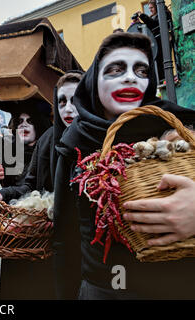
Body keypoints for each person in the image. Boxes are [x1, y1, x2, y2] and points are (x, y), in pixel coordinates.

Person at [53, 32, 195, 299]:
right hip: (104, 291)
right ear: (95, 80)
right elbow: (65, 240)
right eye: (116, 69)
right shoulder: (73, 142)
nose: (130, 77)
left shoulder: (179, 127)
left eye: (141, 70)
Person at [0, 71, 83, 298]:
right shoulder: (47, 141)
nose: (68, 108)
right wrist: (1, 193)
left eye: (76, 100)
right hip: (46, 245)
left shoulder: (101, 138)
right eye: (62, 101)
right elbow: (29, 187)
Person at [0, 85, 52, 295]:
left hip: (43, 240)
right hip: (14, 239)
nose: (23, 125)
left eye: (30, 121)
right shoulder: (7, 153)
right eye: (20, 121)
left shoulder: (50, 153)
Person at [136, 0, 173, 82]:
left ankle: (166, 80)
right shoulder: (153, 16)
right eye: (149, 8)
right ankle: (162, 80)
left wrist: (142, 15)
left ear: (157, 6)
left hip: (162, 42)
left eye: (152, 7)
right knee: (158, 64)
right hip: (156, 44)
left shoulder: (164, 13)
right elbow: (149, 27)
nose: (150, 10)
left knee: (163, 63)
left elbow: (153, 24)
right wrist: (139, 23)